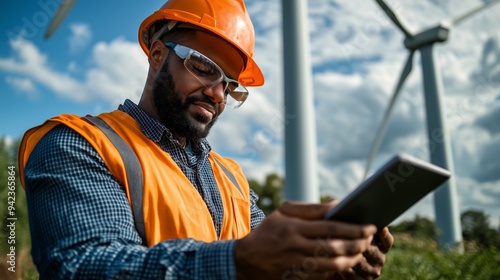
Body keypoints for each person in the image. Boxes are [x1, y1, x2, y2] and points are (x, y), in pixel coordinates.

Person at [18, 0, 393, 279]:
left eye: (230, 86)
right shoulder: (79, 144)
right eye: (203, 68)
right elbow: (84, 267)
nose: (217, 94)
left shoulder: (231, 179)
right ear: (157, 55)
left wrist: (325, 265)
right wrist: (238, 261)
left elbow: (275, 265)